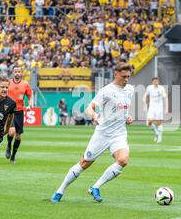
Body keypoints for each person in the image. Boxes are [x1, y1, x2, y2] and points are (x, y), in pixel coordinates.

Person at [51, 63, 135, 203]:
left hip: (119, 134)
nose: (126, 79)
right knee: (84, 163)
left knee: (123, 160)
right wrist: (94, 116)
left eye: (128, 77)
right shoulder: (106, 91)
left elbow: (122, 109)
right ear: (116, 73)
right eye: (123, 76)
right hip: (102, 134)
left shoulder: (130, 90)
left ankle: (95, 187)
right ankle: (60, 190)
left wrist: (127, 117)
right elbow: (90, 107)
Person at [5, 65, 33, 164]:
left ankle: (13, 156)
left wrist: (30, 105)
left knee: (18, 136)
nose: (17, 73)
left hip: (19, 111)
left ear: (21, 73)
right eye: (15, 71)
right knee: (11, 132)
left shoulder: (25, 84)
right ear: (13, 72)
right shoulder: (8, 83)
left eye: (19, 71)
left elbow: (30, 96)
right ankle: (8, 146)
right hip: (10, 111)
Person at [143, 77, 168, 143]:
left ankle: (160, 137)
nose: (156, 82)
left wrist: (166, 109)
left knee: (159, 122)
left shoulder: (161, 88)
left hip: (159, 107)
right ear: (152, 82)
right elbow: (146, 95)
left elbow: (165, 98)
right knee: (149, 122)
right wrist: (144, 103)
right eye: (154, 81)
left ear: (158, 81)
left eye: (157, 81)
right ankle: (156, 132)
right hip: (152, 107)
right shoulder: (149, 88)